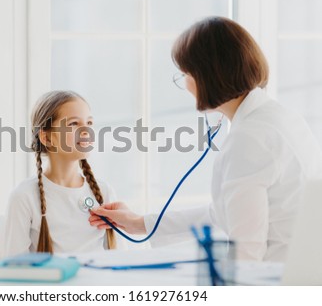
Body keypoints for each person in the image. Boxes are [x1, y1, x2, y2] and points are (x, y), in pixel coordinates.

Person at [89, 16, 322, 262]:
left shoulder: (249, 139)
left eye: (185, 74)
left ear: (208, 75)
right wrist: (142, 224)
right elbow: (226, 213)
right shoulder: (281, 117)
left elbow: (246, 252)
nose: (185, 84)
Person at [5, 90, 117, 256]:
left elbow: (119, 259)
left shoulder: (104, 191)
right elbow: (15, 269)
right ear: (46, 138)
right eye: (73, 124)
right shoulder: (24, 197)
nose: (86, 131)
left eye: (89, 122)